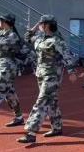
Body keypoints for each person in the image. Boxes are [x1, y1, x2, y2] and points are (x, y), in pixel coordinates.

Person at [19, 15, 67, 144]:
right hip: (41, 74)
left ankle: (31, 133)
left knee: (41, 101)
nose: (39, 25)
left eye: (41, 24)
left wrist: (72, 71)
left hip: (52, 76)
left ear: (46, 25)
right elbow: (27, 38)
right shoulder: (40, 38)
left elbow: (67, 55)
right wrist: (35, 27)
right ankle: (57, 127)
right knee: (52, 102)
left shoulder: (56, 40)